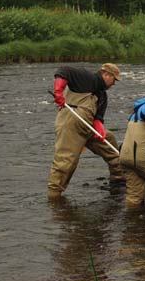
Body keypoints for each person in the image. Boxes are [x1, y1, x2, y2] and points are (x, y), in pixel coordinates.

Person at [47, 63, 124, 201]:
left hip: (88, 126)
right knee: (66, 161)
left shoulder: (102, 95)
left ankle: (118, 179)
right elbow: (64, 71)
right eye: (114, 80)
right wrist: (58, 92)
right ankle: (54, 196)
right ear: (106, 75)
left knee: (110, 142)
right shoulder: (88, 78)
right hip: (70, 122)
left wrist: (100, 128)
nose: (114, 84)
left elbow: (98, 119)